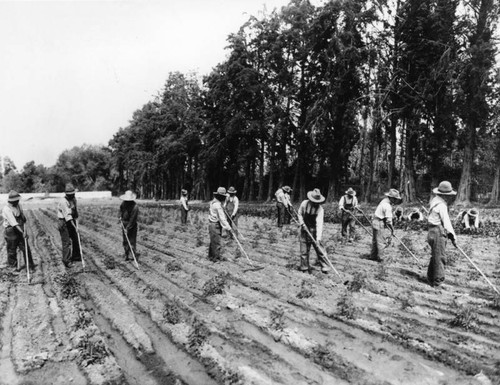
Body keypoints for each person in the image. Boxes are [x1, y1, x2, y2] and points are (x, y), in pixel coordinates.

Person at [427, 181, 457, 287]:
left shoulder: (434, 200)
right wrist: (453, 237)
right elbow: (447, 223)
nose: (450, 198)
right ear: (444, 195)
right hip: (438, 232)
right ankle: (438, 280)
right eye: (448, 195)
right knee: (440, 256)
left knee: (435, 255)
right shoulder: (442, 205)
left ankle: (431, 277)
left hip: (431, 231)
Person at [297, 188, 330, 273]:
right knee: (304, 250)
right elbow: (299, 213)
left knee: (320, 249)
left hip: (314, 230)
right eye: (314, 202)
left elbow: (319, 224)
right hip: (304, 229)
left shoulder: (320, 209)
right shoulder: (304, 204)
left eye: (317, 202)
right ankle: (304, 267)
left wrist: (318, 238)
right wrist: (302, 223)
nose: (316, 204)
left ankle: (325, 267)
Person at [2, 190, 35, 271]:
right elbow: (14, 223)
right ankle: (13, 267)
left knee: (25, 247)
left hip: (19, 227)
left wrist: (23, 217)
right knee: (12, 250)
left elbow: (22, 216)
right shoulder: (7, 209)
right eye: (16, 200)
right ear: (12, 201)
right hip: (11, 230)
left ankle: (30, 265)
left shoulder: (18, 205)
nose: (18, 201)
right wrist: (23, 232)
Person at [370, 189, 402, 262]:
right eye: (396, 199)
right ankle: (381, 258)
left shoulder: (384, 201)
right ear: (392, 198)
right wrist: (392, 230)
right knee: (381, 241)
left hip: (375, 220)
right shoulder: (387, 206)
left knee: (375, 240)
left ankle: (373, 256)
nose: (396, 201)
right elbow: (389, 221)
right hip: (379, 222)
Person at [56, 183, 82, 268]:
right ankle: (66, 261)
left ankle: (76, 257)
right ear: (66, 194)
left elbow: (75, 213)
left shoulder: (74, 199)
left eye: (73, 194)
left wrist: (76, 223)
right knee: (66, 242)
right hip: (63, 222)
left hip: (71, 221)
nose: (72, 195)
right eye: (70, 194)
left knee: (76, 238)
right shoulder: (63, 202)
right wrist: (75, 227)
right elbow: (68, 217)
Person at [208, 187, 232, 262]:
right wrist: (229, 228)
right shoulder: (218, 205)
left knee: (213, 241)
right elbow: (222, 219)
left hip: (211, 224)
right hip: (215, 225)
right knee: (217, 242)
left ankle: (211, 256)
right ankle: (216, 258)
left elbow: (222, 207)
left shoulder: (213, 202)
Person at [119, 190, 139, 261]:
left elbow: (133, 219)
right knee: (125, 240)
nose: (126, 201)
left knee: (131, 240)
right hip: (124, 223)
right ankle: (126, 254)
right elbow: (120, 210)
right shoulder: (123, 204)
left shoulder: (135, 207)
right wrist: (120, 217)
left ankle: (132, 255)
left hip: (132, 225)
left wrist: (127, 228)